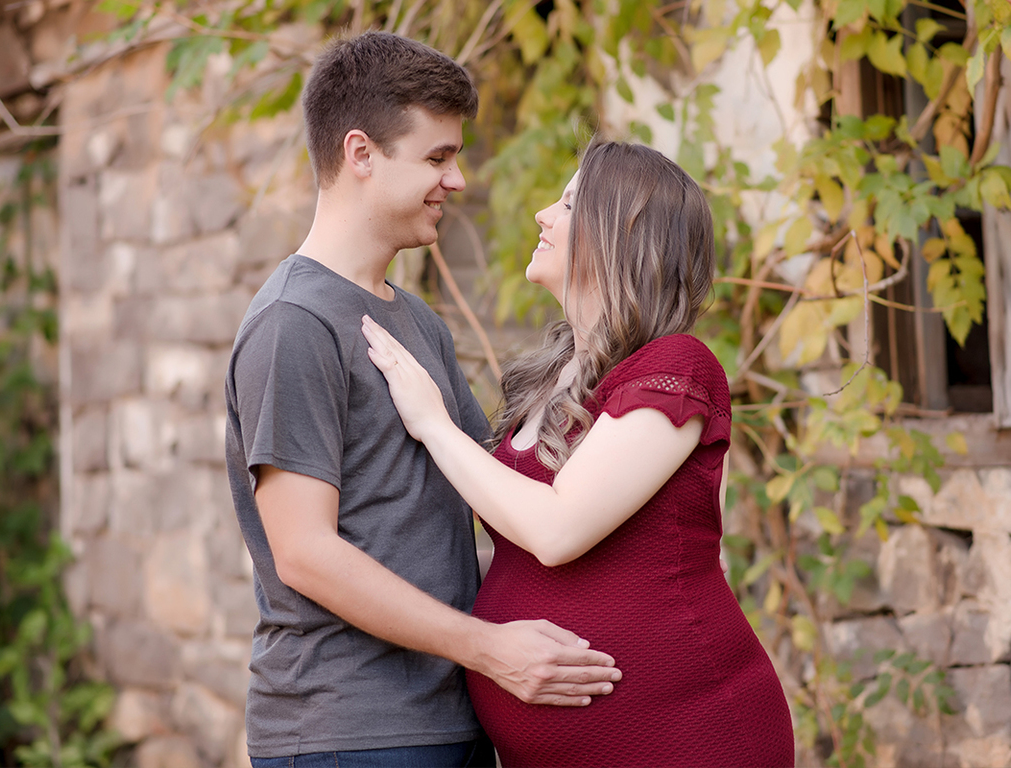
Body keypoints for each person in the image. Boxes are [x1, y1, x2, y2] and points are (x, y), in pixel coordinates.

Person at [224, 32, 621, 768]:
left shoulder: (416, 322)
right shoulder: (294, 323)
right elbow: (305, 554)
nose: (459, 179)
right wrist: (491, 649)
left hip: (447, 717)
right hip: (350, 731)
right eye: (437, 157)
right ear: (361, 155)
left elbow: (499, 484)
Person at [362, 141, 796, 767]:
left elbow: (557, 529)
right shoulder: (554, 377)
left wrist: (434, 425)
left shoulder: (677, 368)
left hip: (689, 738)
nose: (542, 214)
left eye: (568, 203)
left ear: (622, 235)